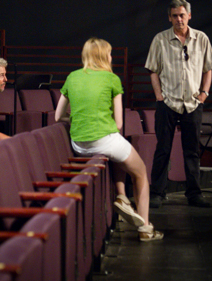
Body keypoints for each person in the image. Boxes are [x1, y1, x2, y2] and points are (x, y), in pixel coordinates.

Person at [55, 37, 163, 242]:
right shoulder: (112, 79)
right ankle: (146, 228)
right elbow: (120, 124)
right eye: (110, 53)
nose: (112, 57)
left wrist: (78, 118)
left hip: (78, 144)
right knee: (140, 173)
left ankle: (121, 196)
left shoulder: (72, 77)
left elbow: (58, 116)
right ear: (104, 56)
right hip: (104, 139)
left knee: (118, 154)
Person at [145, 0, 212, 208]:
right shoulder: (160, 39)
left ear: (189, 16)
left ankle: (194, 193)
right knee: (163, 149)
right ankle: (158, 192)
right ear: (169, 17)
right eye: (175, 15)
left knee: (192, 150)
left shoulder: (201, 38)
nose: (179, 19)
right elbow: (152, 70)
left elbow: (208, 69)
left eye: (182, 15)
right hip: (167, 102)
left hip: (193, 103)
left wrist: (204, 94)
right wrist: (159, 96)